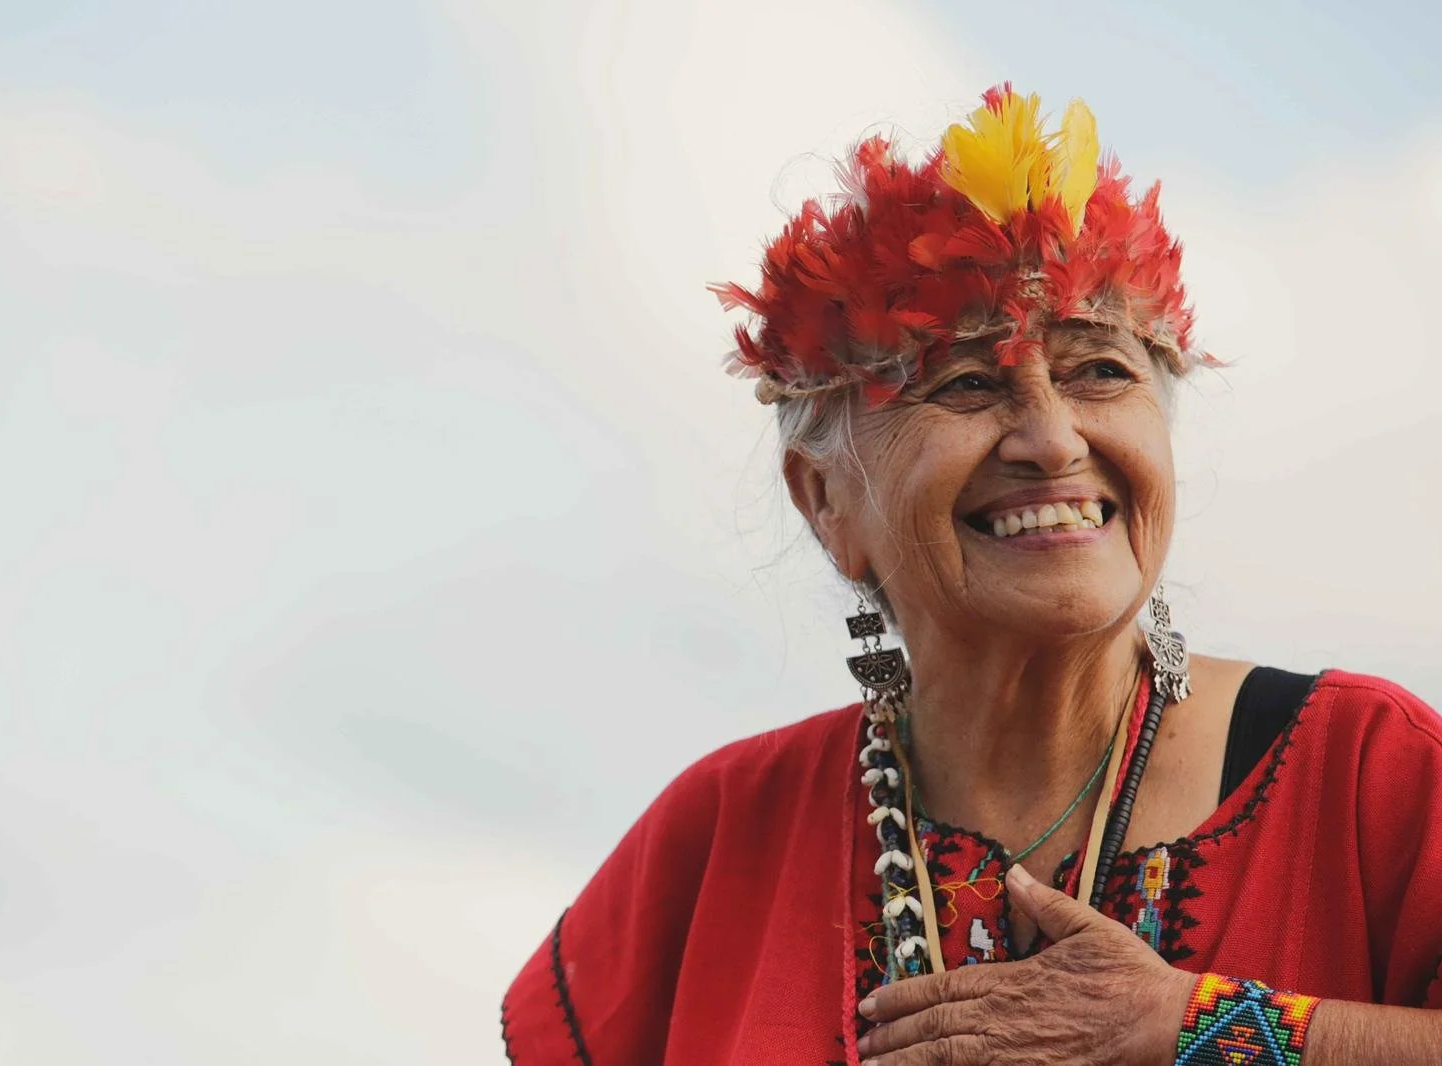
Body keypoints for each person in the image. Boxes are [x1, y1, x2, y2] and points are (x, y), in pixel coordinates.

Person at [500, 86, 1442, 1065]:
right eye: (966, 383)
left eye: (1100, 370)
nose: (1051, 439)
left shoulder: (1371, 773)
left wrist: (1189, 1027)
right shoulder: (714, 843)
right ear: (825, 500)